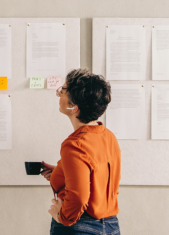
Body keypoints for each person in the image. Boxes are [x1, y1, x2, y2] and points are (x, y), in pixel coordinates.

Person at [41, 68, 121, 235]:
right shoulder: (109, 137)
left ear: (73, 107)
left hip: (80, 227)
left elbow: (79, 197)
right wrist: (61, 173)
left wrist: (62, 217)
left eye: (62, 91)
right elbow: (97, 177)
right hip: (111, 225)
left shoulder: (74, 144)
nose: (58, 95)